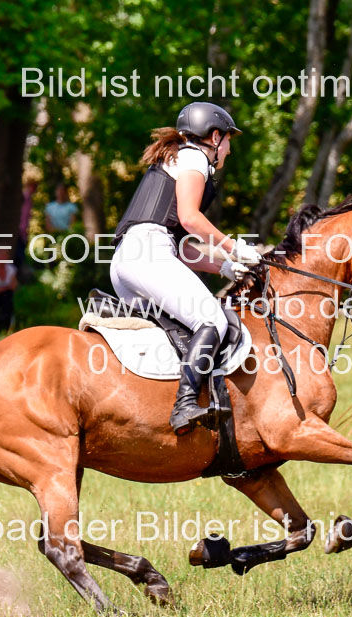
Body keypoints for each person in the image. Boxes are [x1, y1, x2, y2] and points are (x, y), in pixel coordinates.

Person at [110, 101, 260, 435]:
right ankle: (185, 405)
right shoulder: (194, 157)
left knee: (186, 329)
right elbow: (191, 219)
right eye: (229, 142)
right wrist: (235, 247)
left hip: (129, 261)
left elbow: (177, 247)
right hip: (148, 257)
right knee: (212, 320)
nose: (230, 151)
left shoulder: (178, 158)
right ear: (216, 137)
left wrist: (223, 266)